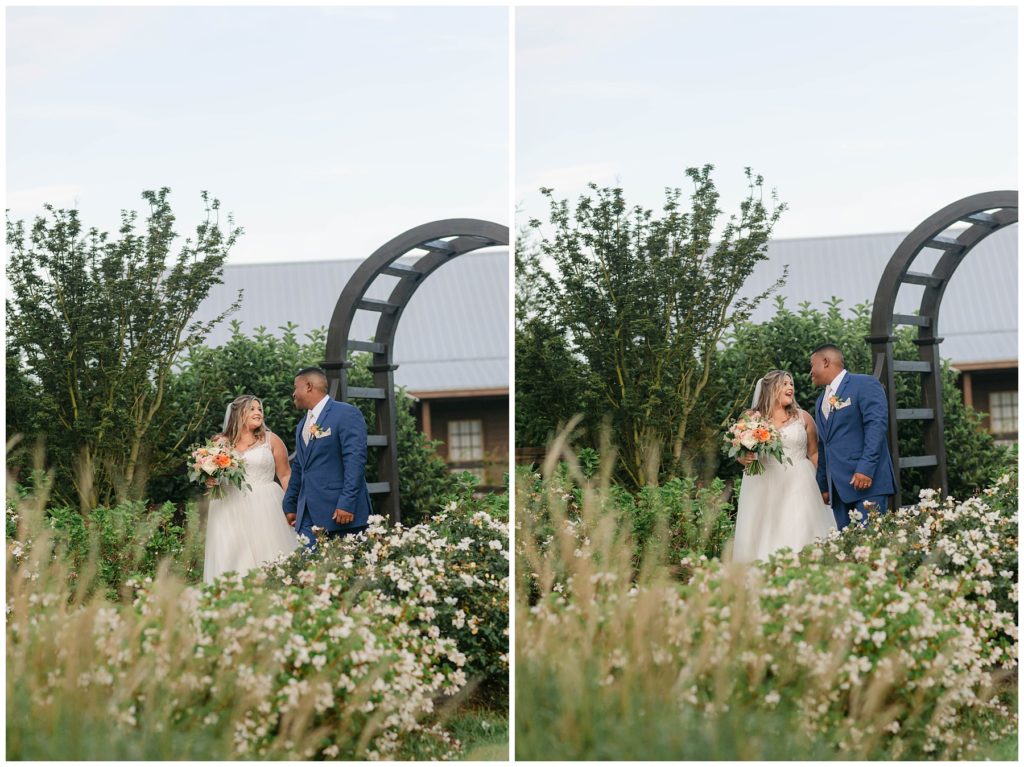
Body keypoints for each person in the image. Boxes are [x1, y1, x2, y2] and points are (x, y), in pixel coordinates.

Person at [731, 370, 838, 564]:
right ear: (771, 388)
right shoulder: (751, 419)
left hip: (800, 482)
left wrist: (825, 485)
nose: (791, 388)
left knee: (798, 527)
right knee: (765, 530)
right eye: (785, 384)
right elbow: (740, 452)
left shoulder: (803, 417)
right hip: (763, 484)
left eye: (791, 384)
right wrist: (743, 459)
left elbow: (814, 453)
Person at [203, 394, 300, 584]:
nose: (258, 413)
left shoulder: (271, 440)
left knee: (269, 553)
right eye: (252, 409)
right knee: (232, 556)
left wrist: (291, 505)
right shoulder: (220, 443)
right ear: (239, 413)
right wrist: (210, 479)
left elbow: (285, 474)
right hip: (229, 507)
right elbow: (211, 474)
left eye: (260, 409)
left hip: (266, 505)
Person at [282, 367, 372, 548]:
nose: (293, 394)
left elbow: (355, 460)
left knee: (346, 573)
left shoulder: (346, 414)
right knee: (310, 571)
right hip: (308, 515)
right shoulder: (303, 425)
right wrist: (290, 505)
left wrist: (347, 503)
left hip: (340, 513)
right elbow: (300, 466)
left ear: (308, 386)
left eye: (295, 387)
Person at [810, 344, 897, 530]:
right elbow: (824, 444)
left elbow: (876, 427)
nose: (811, 372)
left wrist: (865, 468)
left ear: (825, 362)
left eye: (813, 365)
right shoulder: (820, 401)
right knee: (847, 551)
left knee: (870, 546)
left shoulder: (865, 384)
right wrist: (824, 485)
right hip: (839, 491)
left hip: (867, 483)